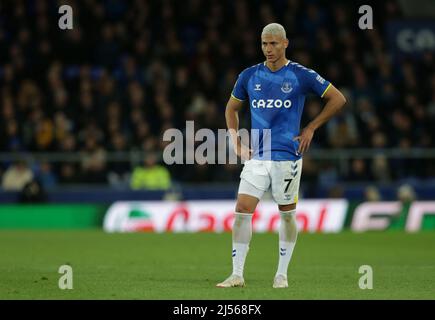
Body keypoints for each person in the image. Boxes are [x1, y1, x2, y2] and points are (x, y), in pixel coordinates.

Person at [217, 23, 346, 288]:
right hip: (257, 156)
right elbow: (231, 109)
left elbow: (337, 98)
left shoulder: (300, 75)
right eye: (264, 43)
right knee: (242, 210)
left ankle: (281, 274)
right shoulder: (249, 76)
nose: (268, 49)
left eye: (274, 43)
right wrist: (236, 142)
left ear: (285, 43)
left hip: (287, 157)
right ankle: (237, 274)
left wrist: (311, 127)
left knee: (286, 214)